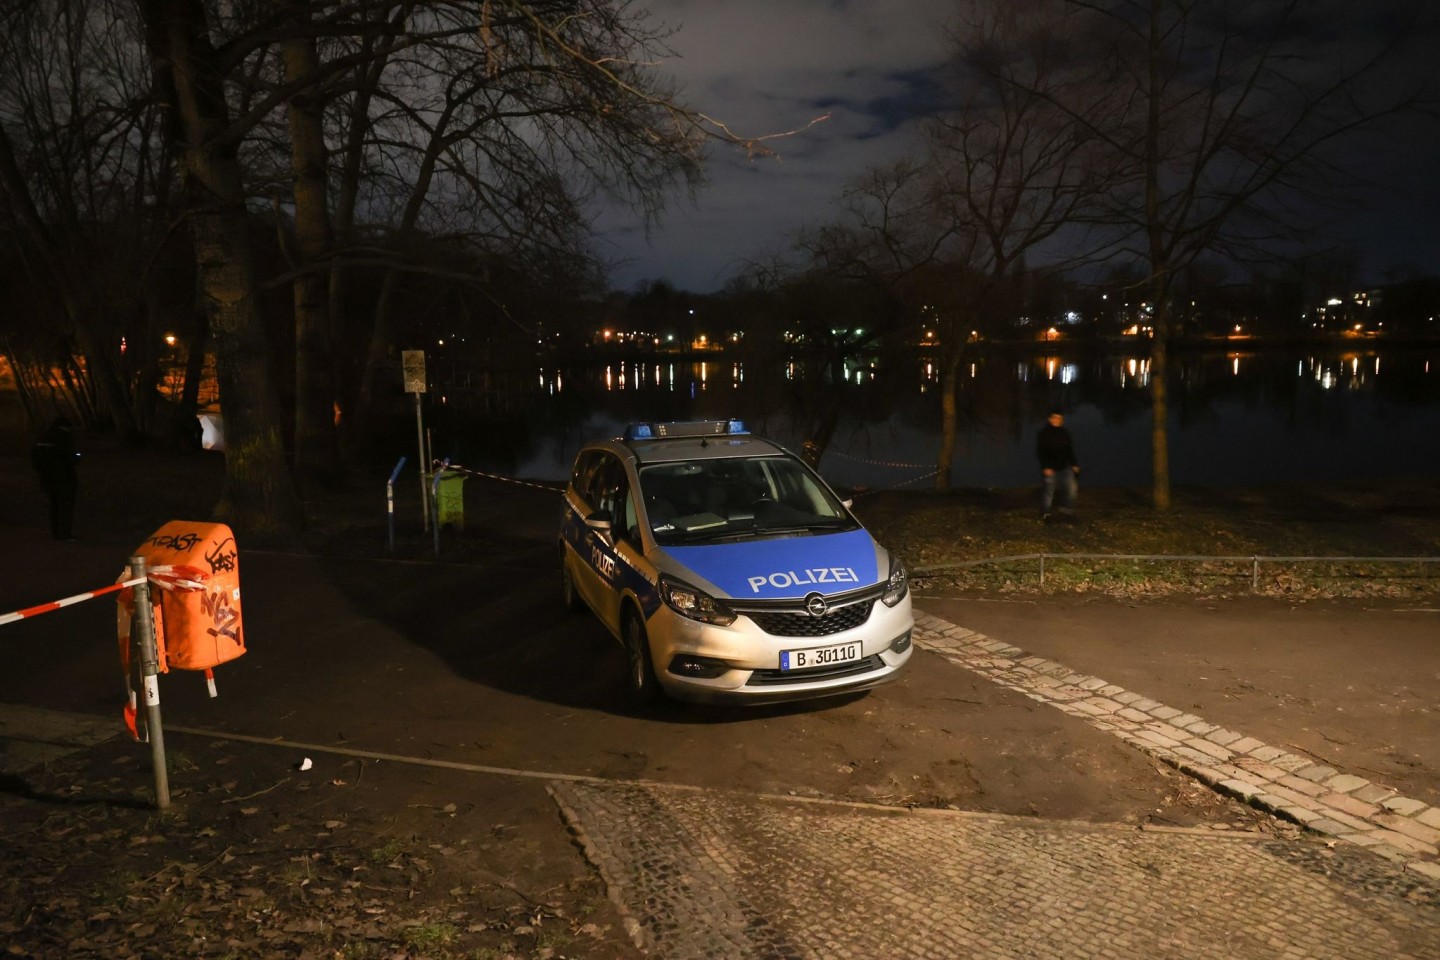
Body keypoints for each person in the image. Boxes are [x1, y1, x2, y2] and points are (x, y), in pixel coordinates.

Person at [31, 417, 79, 541]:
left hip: (47, 478)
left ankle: (55, 533)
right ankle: (65, 534)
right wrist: (77, 457)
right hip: (64, 478)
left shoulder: (41, 440)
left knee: (54, 506)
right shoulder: (64, 439)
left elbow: (35, 460)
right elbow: (71, 459)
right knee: (65, 506)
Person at [1036, 410, 1080, 522]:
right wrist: (1045, 467)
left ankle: (1067, 511)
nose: (1057, 420)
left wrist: (1074, 464)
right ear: (1050, 419)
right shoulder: (1044, 433)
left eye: (1060, 418)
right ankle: (1045, 513)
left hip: (1064, 466)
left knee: (1072, 488)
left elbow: (1069, 450)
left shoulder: (1065, 433)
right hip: (1050, 467)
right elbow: (1041, 452)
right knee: (1049, 490)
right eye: (1055, 418)